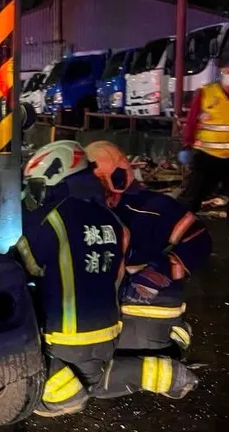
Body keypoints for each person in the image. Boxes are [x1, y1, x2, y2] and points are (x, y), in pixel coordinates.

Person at [15, 140, 128, 417]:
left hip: (65, 342)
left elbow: (20, 267)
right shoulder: (112, 219)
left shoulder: (45, 220)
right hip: (110, 336)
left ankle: (65, 393)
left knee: (26, 395)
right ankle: (81, 386)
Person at [85, 141, 204, 402]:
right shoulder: (85, 210)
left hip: (142, 300)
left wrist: (165, 269)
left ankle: (169, 357)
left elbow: (199, 238)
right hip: (126, 304)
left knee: (94, 363)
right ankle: (171, 341)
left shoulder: (149, 207)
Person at [179, 58, 229, 247]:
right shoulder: (205, 93)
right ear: (222, 71)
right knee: (194, 194)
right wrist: (187, 145)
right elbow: (192, 121)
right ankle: (178, 230)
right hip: (206, 155)